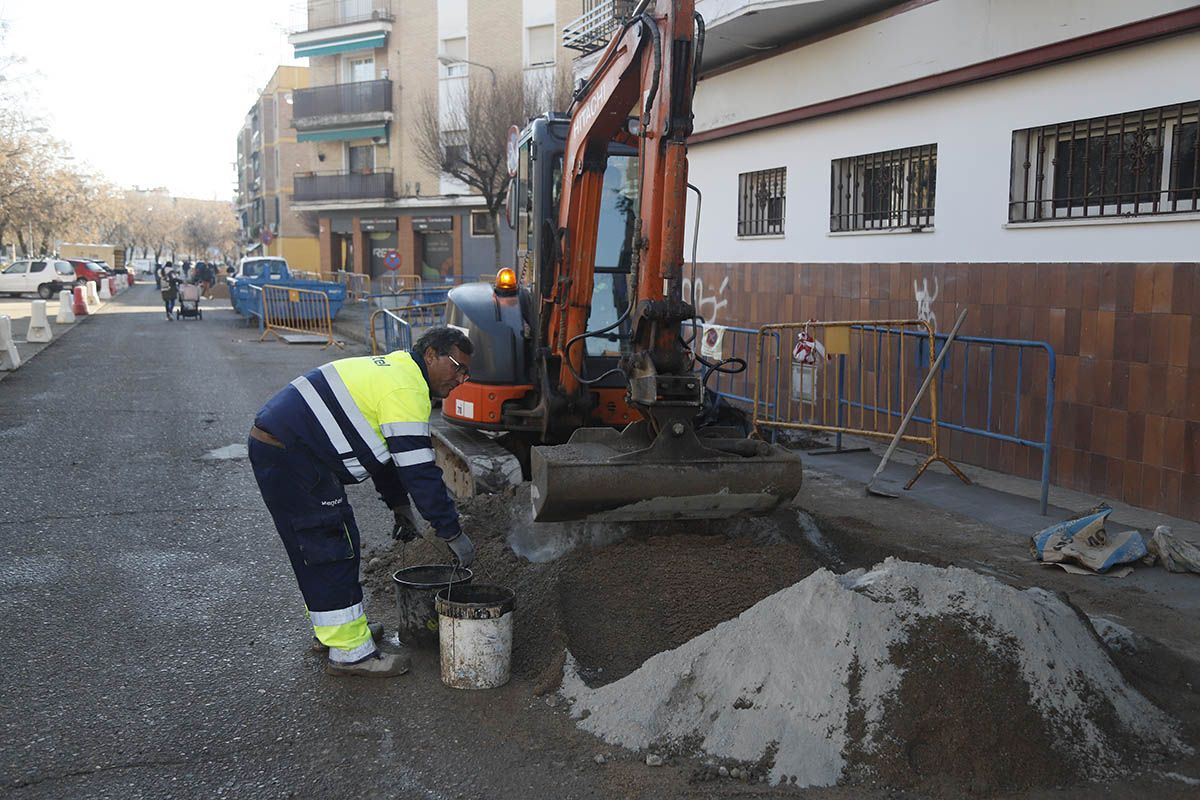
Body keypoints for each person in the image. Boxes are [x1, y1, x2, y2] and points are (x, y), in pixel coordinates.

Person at [248, 326, 475, 678]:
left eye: (466, 372)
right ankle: (352, 653)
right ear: (431, 354)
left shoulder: (398, 371)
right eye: (457, 367)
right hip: (295, 456)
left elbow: (386, 457)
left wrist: (400, 507)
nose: (461, 379)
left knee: (323, 545)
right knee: (330, 544)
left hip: (287, 451)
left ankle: (338, 632)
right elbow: (420, 471)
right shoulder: (407, 388)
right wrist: (451, 531)